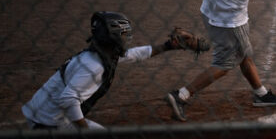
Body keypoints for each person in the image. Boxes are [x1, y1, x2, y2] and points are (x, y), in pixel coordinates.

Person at [22, 12, 207, 130]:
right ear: (114, 37)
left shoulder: (100, 54)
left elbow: (134, 54)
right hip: (47, 123)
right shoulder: (95, 66)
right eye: (124, 34)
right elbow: (68, 99)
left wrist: (167, 46)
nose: (127, 38)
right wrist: (83, 128)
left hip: (45, 114)